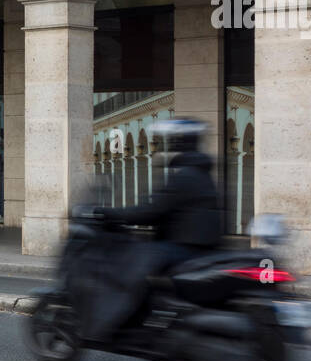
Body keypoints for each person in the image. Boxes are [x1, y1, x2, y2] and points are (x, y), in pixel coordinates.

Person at [76, 118, 222, 341]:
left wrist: (107, 213)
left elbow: (149, 211)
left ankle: (120, 320)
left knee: (131, 261)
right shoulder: (202, 173)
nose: (166, 146)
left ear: (178, 143)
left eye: (169, 141)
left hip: (183, 248)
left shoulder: (184, 177)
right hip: (198, 248)